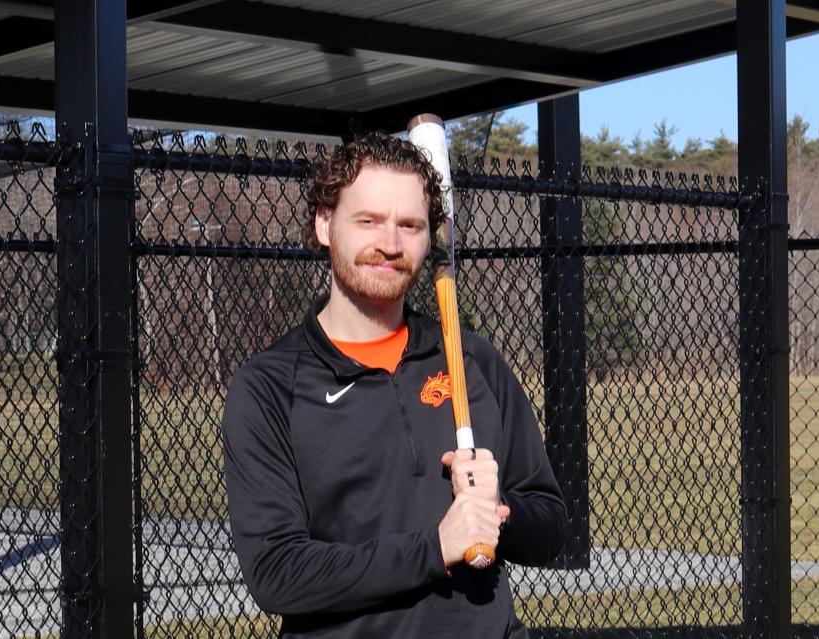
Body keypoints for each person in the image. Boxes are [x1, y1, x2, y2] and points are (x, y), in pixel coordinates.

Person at [221, 131, 567, 638]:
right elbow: (278, 574)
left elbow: (551, 527)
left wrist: (497, 513)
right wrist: (436, 547)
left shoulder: (472, 360)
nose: (390, 243)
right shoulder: (270, 386)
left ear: (430, 237)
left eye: (410, 225)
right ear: (324, 224)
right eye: (369, 221)